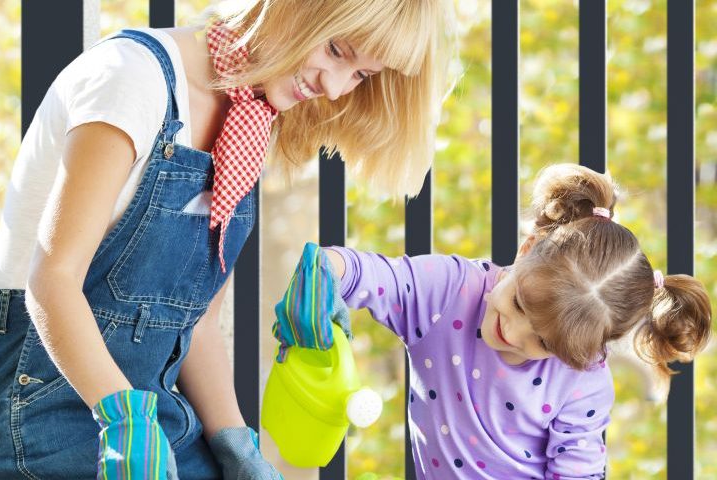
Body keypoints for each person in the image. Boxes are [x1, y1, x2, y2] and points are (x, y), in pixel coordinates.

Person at [0, 0, 456, 478]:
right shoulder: (130, 79)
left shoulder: (248, 122)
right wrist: (126, 423)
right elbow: (52, 280)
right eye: (337, 50)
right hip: (39, 410)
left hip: (153, 419)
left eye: (361, 75)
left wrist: (237, 446)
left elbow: (196, 326)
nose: (336, 88)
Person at [279, 163, 712, 479]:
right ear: (525, 252)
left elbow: (577, 473)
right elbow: (356, 270)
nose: (513, 334)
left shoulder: (583, 381)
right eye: (521, 304)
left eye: (544, 342)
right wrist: (324, 279)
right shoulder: (446, 292)